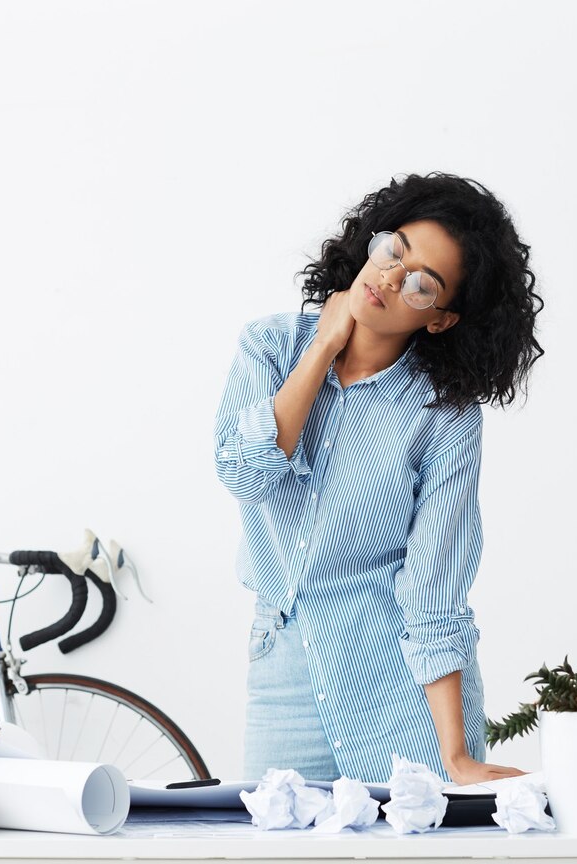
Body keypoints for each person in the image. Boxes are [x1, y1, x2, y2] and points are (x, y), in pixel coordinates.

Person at [213, 172, 544, 786]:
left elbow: (435, 581)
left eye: (423, 284)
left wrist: (456, 756)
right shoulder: (270, 346)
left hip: (399, 687)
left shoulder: (442, 413)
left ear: (442, 320)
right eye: (395, 249)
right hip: (284, 670)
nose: (391, 278)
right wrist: (324, 345)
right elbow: (244, 472)